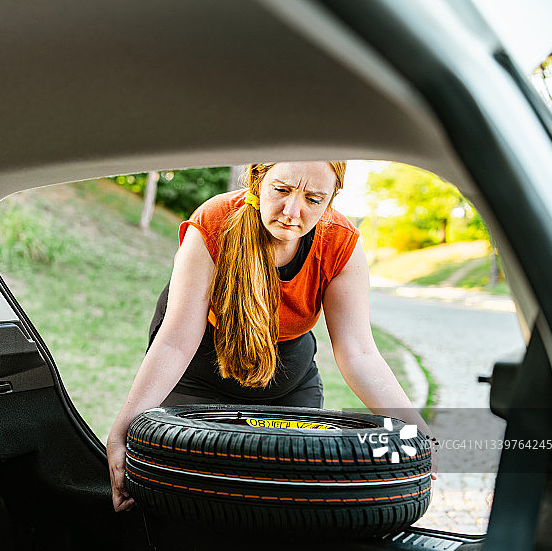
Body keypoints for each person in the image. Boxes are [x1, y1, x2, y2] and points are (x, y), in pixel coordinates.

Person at [107, 161, 435, 512]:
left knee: (287, 504)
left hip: (286, 377)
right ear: (257, 180)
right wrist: (120, 433)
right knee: (188, 496)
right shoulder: (213, 222)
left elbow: (359, 354)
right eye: (281, 190)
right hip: (197, 365)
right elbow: (176, 340)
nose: (293, 212)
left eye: (313, 198)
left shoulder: (340, 242)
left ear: (332, 200)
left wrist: (421, 435)